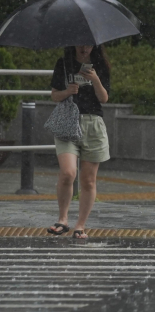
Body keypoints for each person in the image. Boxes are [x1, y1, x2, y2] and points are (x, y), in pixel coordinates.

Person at [46, 45, 111, 239]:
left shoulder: (100, 65)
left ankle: (80, 225)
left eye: (89, 44)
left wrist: (96, 80)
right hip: (68, 123)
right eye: (81, 43)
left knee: (88, 180)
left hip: (93, 124)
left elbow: (104, 98)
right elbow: (54, 95)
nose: (84, 48)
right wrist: (67, 91)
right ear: (73, 43)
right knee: (68, 173)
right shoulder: (64, 63)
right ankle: (62, 219)